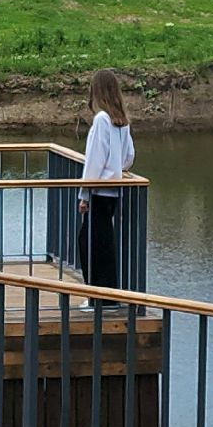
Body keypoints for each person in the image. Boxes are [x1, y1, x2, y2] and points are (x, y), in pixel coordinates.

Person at [77, 68, 134, 309]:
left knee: (89, 243)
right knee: (104, 242)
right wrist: (117, 169)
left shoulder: (101, 119)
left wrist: (84, 194)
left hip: (98, 190)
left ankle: (97, 298)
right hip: (113, 190)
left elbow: (94, 160)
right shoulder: (121, 120)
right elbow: (129, 155)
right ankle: (107, 296)